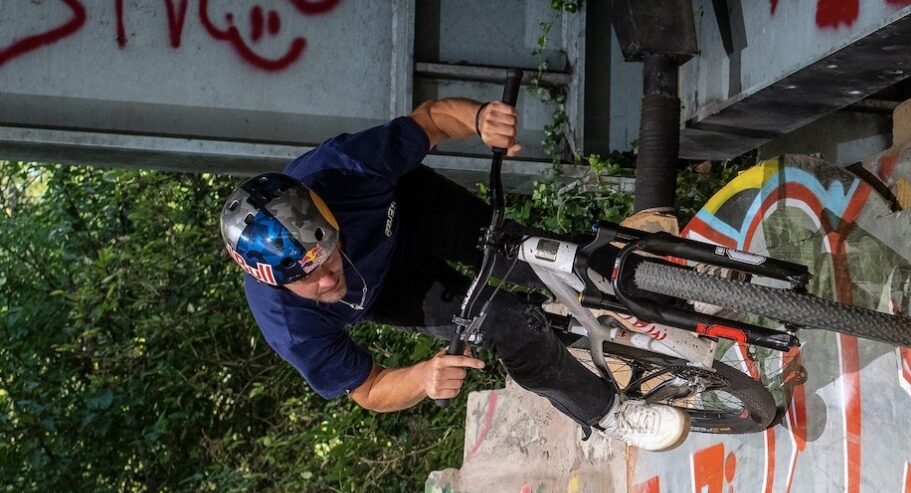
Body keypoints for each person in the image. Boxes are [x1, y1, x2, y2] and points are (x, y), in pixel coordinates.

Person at [220, 97, 689, 451]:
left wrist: (480, 118)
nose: (327, 279)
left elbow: (431, 120)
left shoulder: (345, 169)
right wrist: (423, 378)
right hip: (394, 290)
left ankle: (665, 295)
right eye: (308, 279)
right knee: (507, 324)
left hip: (414, 208)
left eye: (328, 254)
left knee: (530, 254)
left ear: (324, 212)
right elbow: (368, 388)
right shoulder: (288, 323)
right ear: (275, 284)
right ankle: (612, 414)